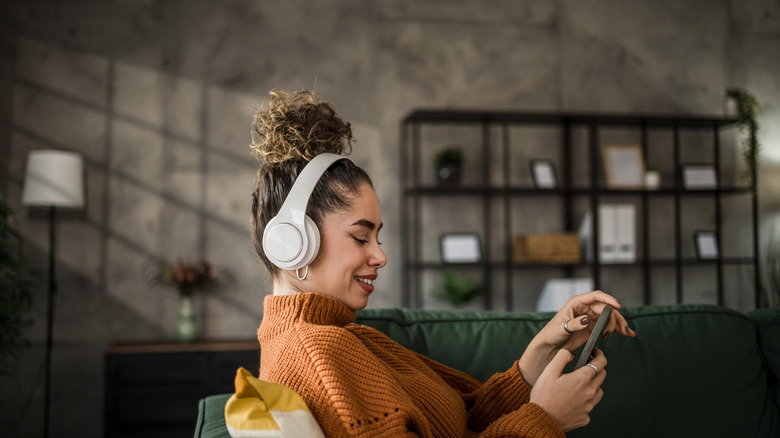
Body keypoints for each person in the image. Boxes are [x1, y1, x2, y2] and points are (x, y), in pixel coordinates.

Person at [249, 90, 637, 437]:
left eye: (378, 238)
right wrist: (544, 419)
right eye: (360, 236)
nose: (380, 255)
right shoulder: (315, 352)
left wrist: (543, 350)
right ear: (293, 243)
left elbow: (467, 419)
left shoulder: (345, 338)